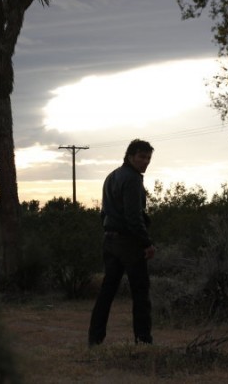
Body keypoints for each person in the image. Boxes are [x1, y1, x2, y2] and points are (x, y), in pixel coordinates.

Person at [88, 139, 156, 346]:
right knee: (140, 293)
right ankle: (143, 341)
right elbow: (134, 217)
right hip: (129, 243)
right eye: (141, 157)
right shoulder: (133, 179)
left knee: (107, 292)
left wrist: (110, 231)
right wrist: (147, 243)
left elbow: (104, 212)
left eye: (148, 158)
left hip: (110, 241)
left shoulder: (111, 176)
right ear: (130, 156)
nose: (145, 161)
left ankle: (94, 339)